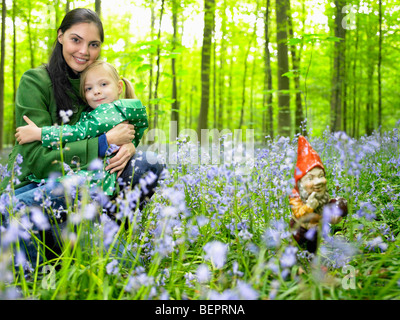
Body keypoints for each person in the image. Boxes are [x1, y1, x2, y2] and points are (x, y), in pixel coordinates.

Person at [0, 8, 164, 264]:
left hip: (84, 187)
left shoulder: (97, 83)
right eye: (76, 40)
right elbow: (38, 161)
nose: (84, 51)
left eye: (93, 44)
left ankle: (105, 232)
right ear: (60, 36)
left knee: (149, 163)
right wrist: (103, 143)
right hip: (41, 184)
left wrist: (129, 144)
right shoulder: (35, 81)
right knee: (16, 211)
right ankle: (56, 251)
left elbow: (121, 122)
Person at [14, 60, 149, 196]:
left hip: (92, 179)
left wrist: (40, 133)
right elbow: (135, 132)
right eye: (88, 88)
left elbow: (78, 132)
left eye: (103, 84)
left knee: (21, 203)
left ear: (119, 87)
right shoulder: (124, 110)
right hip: (93, 175)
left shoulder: (109, 112)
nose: (96, 91)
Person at [289, 136, 347, 253]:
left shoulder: (324, 196)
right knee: (296, 242)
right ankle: (294, 255)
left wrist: (334, 217)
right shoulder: (295, 196)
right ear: (300, 183)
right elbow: (298, 213)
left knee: (314, 242)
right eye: (310, 178)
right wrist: (309, 206)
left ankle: (313, 256)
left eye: (321, 176)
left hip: (315, 228)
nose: (318, 182)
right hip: (299, 227)